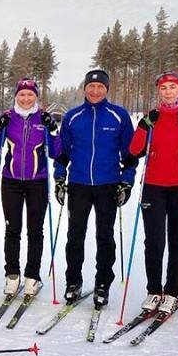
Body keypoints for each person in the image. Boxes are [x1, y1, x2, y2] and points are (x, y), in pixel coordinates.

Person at [128, 72, 178, 315]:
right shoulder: (152, 117)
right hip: (153, 186)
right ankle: (154, 290)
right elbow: (135, 150)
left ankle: (172, 291)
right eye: (163, 88)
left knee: (177, 240)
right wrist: (144, 126)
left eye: (172, 87)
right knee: (153, 241)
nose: (167, 91)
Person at [53, 69, 136, 309]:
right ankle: (73, 282)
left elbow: (129, 156)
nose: (95, 91)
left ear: (107, 89)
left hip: (107, 184)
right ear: (85, 88)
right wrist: (60, 178)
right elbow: (62, 154)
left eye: (100, 87)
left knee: (105, 236)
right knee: (75, 236)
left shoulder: (118, 115)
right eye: (91, 86)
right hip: (78, 184)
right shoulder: (72, 117)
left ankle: (102, 284)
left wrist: (126, 181)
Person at [0, 78, 61, 298]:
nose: (25, 98)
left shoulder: (42, 118)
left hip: (37, 182)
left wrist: (53, 130)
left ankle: (33, 276)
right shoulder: (8, 117)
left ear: (36, 97)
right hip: (11, 181)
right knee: (12, 229)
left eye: (30, 94)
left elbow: (56, 152)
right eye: (21, 94)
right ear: (16, 96)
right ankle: (12, 275)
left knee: (35, 230)